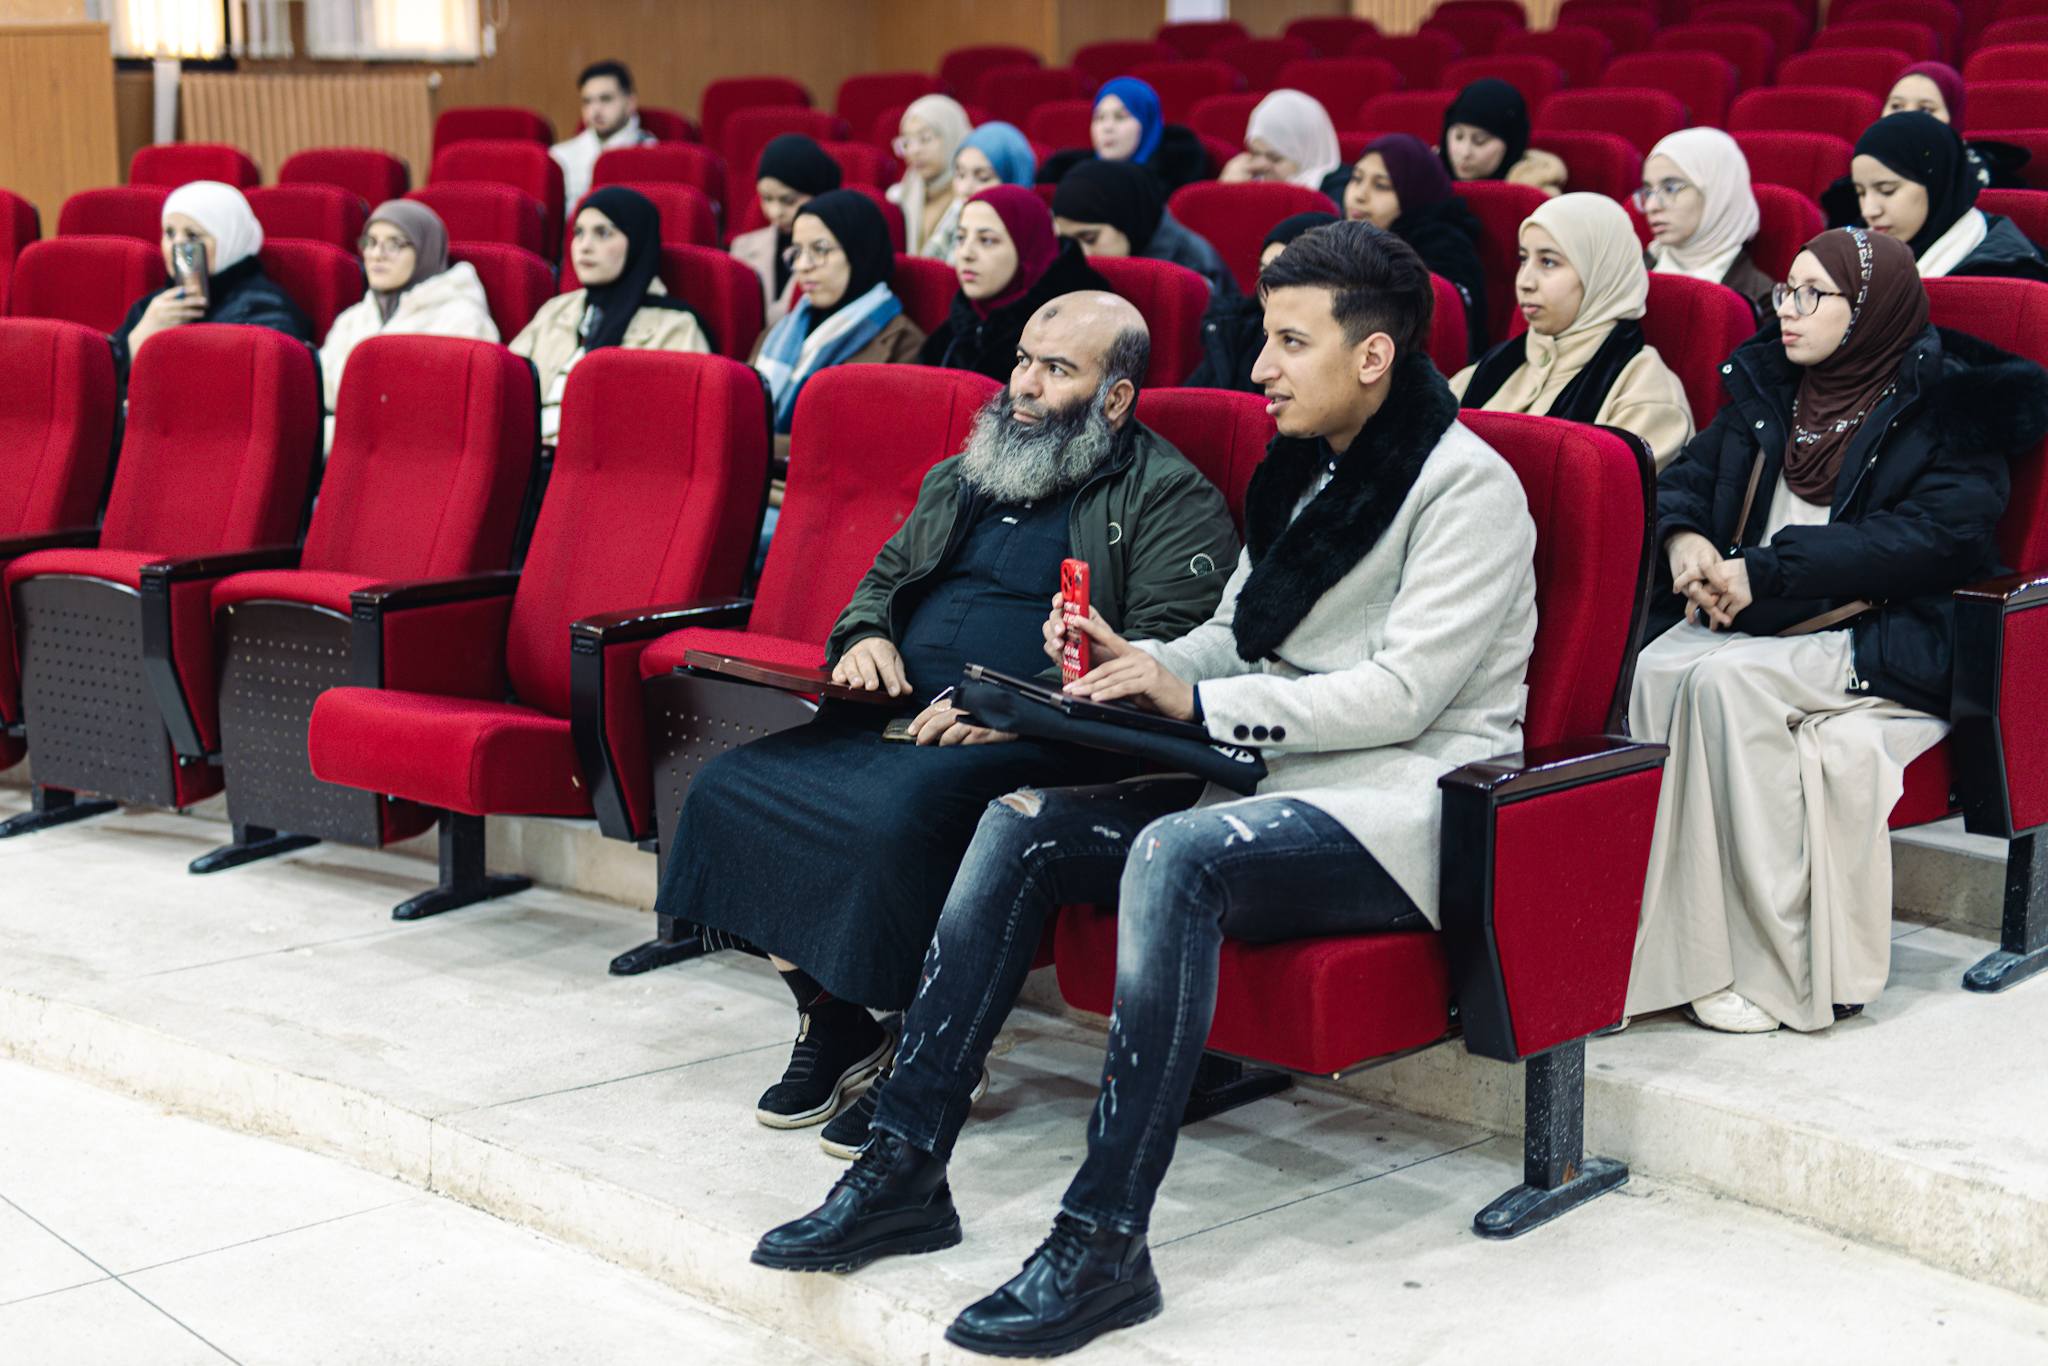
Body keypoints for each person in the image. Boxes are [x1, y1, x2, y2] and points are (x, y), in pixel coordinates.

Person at [753, 221, 1541, 1358]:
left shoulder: (1467, 488)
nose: (1258, 367)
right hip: (1267, 772)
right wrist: (1141, 662)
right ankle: (904, 1167)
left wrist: (1195, 701)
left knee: (1173, 855)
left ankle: (1103, 1242)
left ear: (1372, 356)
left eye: (1289, 342)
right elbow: (1238, 633)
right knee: (1021, 821)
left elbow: (1405, 695)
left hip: (1399, 799)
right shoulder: (1306, 467)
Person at [651, 292, 1239, 1154]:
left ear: (1115, 397)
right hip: (895, 712)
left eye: (1057, 370)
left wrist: (1013, 709)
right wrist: (865, 636)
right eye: (1024, 361)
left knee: (900, 817)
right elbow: (881, 580)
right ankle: (835, 1020)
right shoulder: (968, 472)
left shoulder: (1169, 496)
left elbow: (1160, 654)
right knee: (725, 788)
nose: (1025, 386)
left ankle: (928, 1048)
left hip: (1043, 735)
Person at [1628, 227, 2048, 1035]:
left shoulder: (1947, 406)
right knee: (1655, 669)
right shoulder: (1772, 384)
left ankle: (1773, 963)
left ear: (1869, 311)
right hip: (1764, 613)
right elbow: (1688, 479)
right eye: (1785, 290)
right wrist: (1684, 541)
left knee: (1725, 684)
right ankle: (1679, 950)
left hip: (1887, 628)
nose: (1787, 309)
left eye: (1813, 295)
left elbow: (1935, 539)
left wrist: (1768, 569)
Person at [1452, 193, 1694, 469]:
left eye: (1548, 262)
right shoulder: (1493, 367)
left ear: (1601, 273)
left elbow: (1605, 495)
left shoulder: (1647, 398)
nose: (1525, 282)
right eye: (1523, 259)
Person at [510, 186, 711, 441]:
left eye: (603, 233)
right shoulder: (555, 310)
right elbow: (508, 388)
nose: (584, 246)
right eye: (578, 233)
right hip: (530, 455)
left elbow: (676, 431)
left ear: (636, 242)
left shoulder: (677, 326)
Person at [753, 189, 925, 450]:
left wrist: (753, 442)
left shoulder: (903, 343)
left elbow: (855, 445)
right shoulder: (780, 330)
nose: (803, 265)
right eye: (797, 252)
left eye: (820, 249)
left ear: (860, 253)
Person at [113, 180, 311, 384]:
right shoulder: (155, 305)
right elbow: (104, 384)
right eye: (170, 233)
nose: (177, 246)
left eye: (192, 236)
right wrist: (137, 339)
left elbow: (256, 385)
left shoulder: (265, 307)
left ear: (229, 241)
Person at [319, 201, 496, 422]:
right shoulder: (352, 318)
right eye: (370, 242)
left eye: (394, 244)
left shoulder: (463, 320)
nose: (377, 254)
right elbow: (322, 393)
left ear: (425, 251)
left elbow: (449, 413)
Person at [919, 185, 1110, 382]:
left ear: (1027, 247)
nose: (966, 253)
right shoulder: (953, 331)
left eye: (987, 240)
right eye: (960, 238)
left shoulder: (1077, 324)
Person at [1843, 113, 2047, 281]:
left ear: (1937, 183)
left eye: (1887, 190)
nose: (1869, 211)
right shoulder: (1856, 252)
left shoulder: (2007, 274)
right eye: (1861, 192)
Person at [1342, 134, 1490, 359]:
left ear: (1414, 192)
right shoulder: (1342, 239)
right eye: (1356, 178)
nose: (1359, 195)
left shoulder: (1447, 250)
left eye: (1381, 186)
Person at [1185, 211, 1336, 391]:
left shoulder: (1331, 349)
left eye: (1284, 274)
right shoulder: (1233, 328)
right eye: (1265, 272)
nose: (1267, 287)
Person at [1638, 128, 1774, 322]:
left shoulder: (1761, 300)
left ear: (1718, 194)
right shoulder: (1631, 273)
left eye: (1670, 188)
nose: (1651, 206)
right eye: (1648, 191)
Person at [1052, 159, 1236, 297]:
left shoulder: (1194, 265)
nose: (1082, 253)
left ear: (1127, 222)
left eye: (1089, 238)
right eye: (1067, 241)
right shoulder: (1070, 263)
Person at [730, 135, 842, 330]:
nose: (775, 212)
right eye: (766, 199)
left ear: (819, 195)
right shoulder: (742, 247)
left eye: (788, 200)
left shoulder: (836, 253)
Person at [1036, 78, 1208, 193]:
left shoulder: (1173, 177)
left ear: (1146, 123)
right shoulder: (1068, 176)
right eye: (1099, 118)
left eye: (1120, 117)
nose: (1107, 127)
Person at [1883, 61, 2032, 189]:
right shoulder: (1870, 163)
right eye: (1896, 106)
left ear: (1953, 119)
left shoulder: (1980, 179)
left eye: (1926, 110)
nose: (1906, 117)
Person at [548, 60, 656, 220]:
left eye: (605, 99)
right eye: (587, 101)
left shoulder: (651, 152)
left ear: (630, 102)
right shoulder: (559, 156)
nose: (595, 109)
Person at [929, 122, 1037, 266]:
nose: (965, 189)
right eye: (960, 174)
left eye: (983, 178)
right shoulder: (957, 210)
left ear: (1012, 181)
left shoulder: (1033, 231)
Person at [1438, 78, 1567, 194]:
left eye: (1480, 141)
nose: (1465, 153)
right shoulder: (1430, 177)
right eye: (1459, 136)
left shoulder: (1534, 193)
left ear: (1511, 144)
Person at [888, 95, 972, 260]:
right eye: (907, 142)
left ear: (952, 136)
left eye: (925, 139)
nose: (914, 151)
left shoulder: (971, 197)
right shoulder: (898, 196)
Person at [1219, 89, 1344, 194]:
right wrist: (1229, 191)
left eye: (1275, 158)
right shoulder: (1246, 178)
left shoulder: (1339, 193)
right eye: (1254, 154)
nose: (1260, 165)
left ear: (1309, 155)